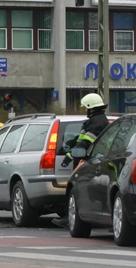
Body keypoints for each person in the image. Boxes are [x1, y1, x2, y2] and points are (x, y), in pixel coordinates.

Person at [52, 93, 110, 228]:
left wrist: (70, 155)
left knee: (76, 190)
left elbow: (85, 143)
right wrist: (72, 143)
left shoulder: (95, 122)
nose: (85, 110)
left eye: (86, 108)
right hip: (94, 160)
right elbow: (82, 138)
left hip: (86, 162)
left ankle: (70, 219)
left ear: (91, 108)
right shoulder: (99, 120)